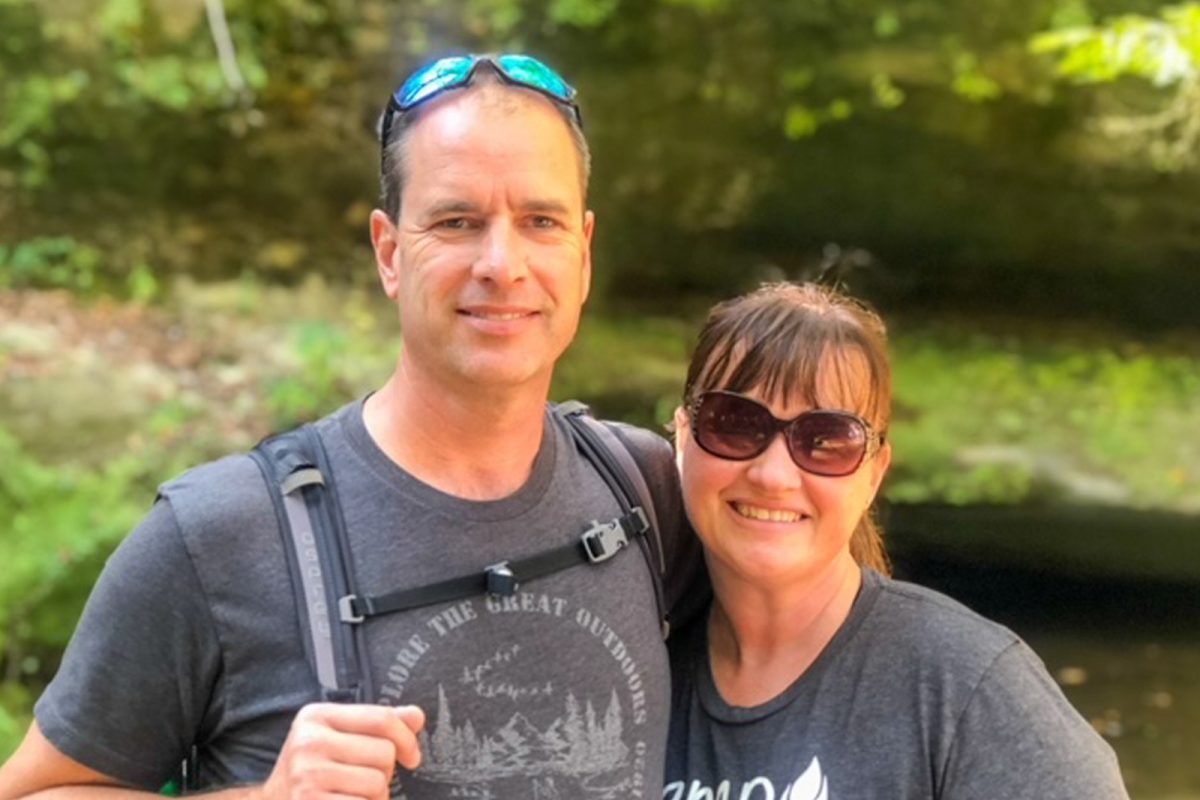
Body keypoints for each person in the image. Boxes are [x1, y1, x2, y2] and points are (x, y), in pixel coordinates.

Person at [0, 54, 699, 799]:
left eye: (540, 222)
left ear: (584, 253)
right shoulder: (219, 535)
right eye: (457, 221)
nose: (503, 263)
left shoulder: (646, 490)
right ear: (390, 253)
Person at [663, 282, 1129, 799]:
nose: (774, 475)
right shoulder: (631, 665)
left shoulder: (966, 688)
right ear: (682, 437)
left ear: (873, 473)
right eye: (734, 424)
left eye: (826, 440)